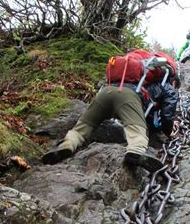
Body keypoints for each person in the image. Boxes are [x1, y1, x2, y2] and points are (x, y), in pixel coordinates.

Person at [42, 66, 180, 173]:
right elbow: (167, 113)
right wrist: (169, 131)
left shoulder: (140, 78)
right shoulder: (166, 86)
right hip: (128, 97)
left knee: (82, 128)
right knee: (137, 131)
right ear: (174, 82)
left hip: (105, 92)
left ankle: (66, 145)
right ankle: (136, 151)